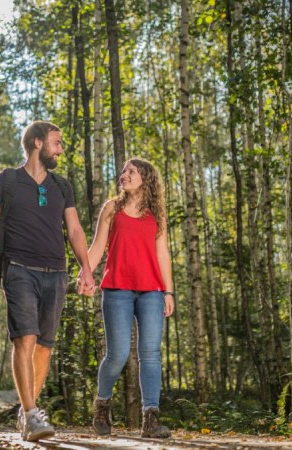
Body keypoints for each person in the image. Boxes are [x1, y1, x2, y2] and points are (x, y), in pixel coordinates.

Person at [0, 120, 95, 442]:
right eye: (57, 142)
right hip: (18, 269)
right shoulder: (6, 181)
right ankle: (30, 414)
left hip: (56, 273)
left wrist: (86, 268)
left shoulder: (62, 186)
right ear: (38, 143)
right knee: (24, 339)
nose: (61, 149)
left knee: (44, 346)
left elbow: (74, 230)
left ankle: (27, 410)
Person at [84, 158, 175, 438]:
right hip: (117, 288)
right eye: (123, 171)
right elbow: (98, 246)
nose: (124, 175)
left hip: (152, 291)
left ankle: (151, 419)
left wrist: (169, 290)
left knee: (150, 355)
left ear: (145, 178)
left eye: (131, 172)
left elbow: (163, 254)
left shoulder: (155, 214)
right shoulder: (112, 208)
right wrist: (85, 274)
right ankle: (102, 404)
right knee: (118, 355)